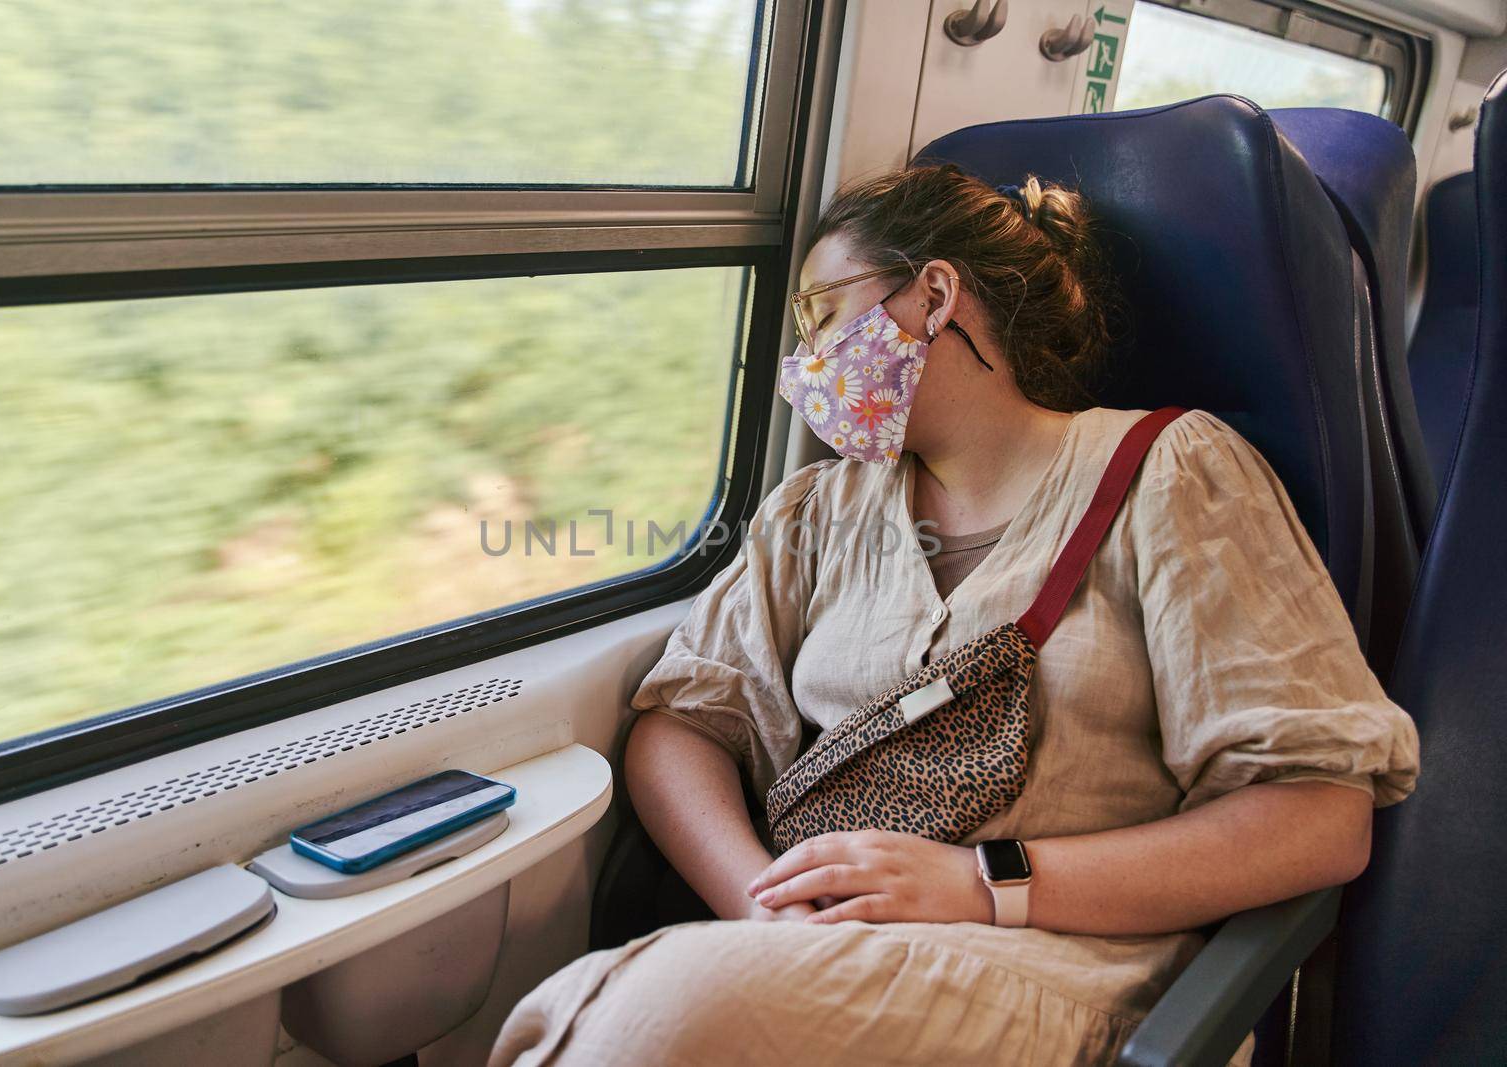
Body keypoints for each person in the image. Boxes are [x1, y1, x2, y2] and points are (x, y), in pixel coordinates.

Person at [488, 164, 1420, 1066]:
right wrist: (759, 904)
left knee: (644, 1021)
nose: (807, 362)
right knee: (576, 1009)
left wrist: (978, 883)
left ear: (933, 297)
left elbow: (1317, 815)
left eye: (822, 316)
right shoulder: (818, 510)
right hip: (822, 946)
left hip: (1070, 967)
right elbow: (686, 723)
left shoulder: (1171, 473)